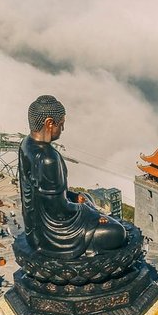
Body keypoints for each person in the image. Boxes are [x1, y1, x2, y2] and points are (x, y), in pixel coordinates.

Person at [16, 95, 128, 257]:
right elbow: (59, 209)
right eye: (61, 124)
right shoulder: (48, 158)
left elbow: (46, 197)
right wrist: (93, 215)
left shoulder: (26, 144)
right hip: (52, 237)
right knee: (117, 232)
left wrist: (76, 197)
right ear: (49, 123)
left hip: (34, 230)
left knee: (85, 196)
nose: (63, 129)